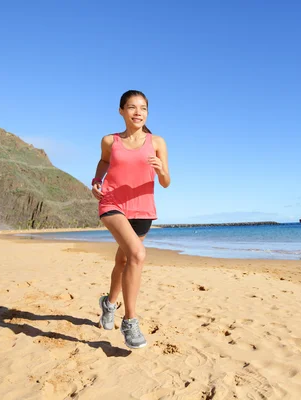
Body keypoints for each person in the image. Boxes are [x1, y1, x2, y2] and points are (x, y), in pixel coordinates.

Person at [91, 90, 171, 349]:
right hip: (112, 203)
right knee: (137, 254)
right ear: (121, 111)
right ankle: (130, 321)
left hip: (143, 209)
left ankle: (109, 303)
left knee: (123, 259)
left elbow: (167, 182)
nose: (138, 112)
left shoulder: (157, 142)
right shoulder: (110, 141)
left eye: (143, 108)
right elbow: (104, 163)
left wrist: (161, 171)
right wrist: (96, 181)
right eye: (132, 107)